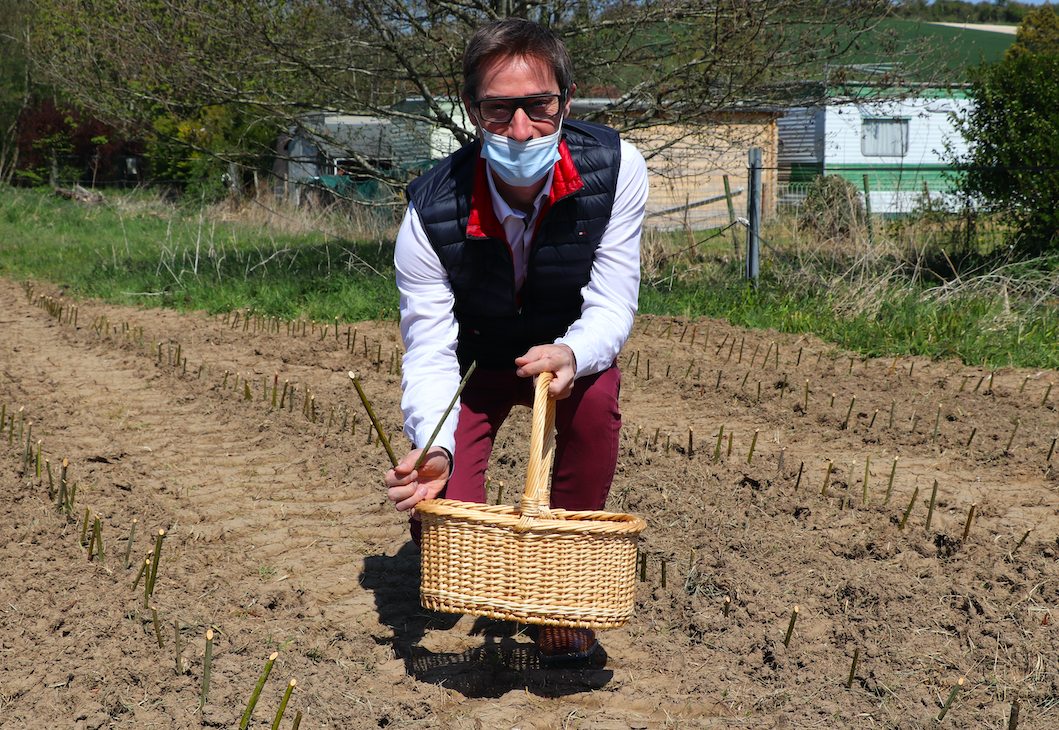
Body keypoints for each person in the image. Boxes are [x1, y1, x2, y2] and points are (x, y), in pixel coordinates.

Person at [383, 17, 648, 662]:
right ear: (472, 110)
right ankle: (445, 525)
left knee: (594, 407)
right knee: (446, 518)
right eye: (499, 111)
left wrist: (575, 354)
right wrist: (434, 445)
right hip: (479, 363)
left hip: (564, 353)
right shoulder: (429, 210)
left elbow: (612, 301)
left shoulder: (617, 169)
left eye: (539, 106)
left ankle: (561, 591)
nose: (522, 128)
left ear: (567, 99)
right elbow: (429, 349)